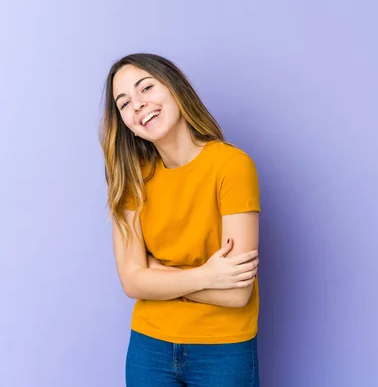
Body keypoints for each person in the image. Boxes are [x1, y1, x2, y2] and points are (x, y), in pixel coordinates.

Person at [99, 53, 261, 386]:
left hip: (224, 348)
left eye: (146, 88)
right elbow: (132, 283)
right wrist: (207, 275)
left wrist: (156, 273)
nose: (139, 105)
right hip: (150, 347)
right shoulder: (131, 178)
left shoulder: (231, 166)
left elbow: (235, 294)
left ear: (175, 88)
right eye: (124, 103)